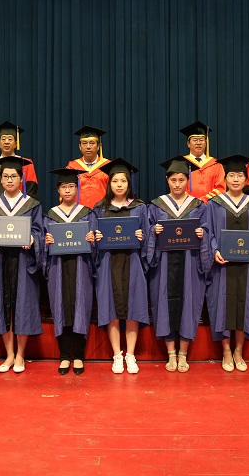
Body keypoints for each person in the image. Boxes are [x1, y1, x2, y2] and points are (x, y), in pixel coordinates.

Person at [203, 154, 249, 373]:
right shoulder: (214, 204)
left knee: (244, 303)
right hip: (222, 266)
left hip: (247, 266)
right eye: (231, 175)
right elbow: (208, 232)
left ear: (246, 179)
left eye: (240, 175)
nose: (235, 179)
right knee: (223, 305)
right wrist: (214, 251)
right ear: (226, 179)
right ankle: (226, 351)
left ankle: (239, 350)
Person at [0, 156, 44, 373]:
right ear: (0, 179)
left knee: (22, 305)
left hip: (23, 260)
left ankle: (20, 355)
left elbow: (39, 230)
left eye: (13, 176)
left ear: (21, 179)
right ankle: (9, 354)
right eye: (5, 176)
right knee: (2, 305)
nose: (9, 180)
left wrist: (33, 239)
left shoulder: (32, 204)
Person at [147, 156, 207, 373]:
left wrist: (202, 233)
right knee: (165, 303)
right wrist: (153, 231)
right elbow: (147, 230)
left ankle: (183, 354)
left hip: (189, 262)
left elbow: (208, 229)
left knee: (187, 303)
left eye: (181, 180)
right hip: (165, 263)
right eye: (173, 180)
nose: (177, 184)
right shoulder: (156, 205)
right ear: (167, 180)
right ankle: (171, 353)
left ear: (187, 180)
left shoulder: (198, 205)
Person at [93, 158, 149, 374]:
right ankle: (117, 354)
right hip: (108, 262)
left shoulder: (139, 207)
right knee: (111, 308)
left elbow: (149, 236)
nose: (119, 185)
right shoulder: (100, 208)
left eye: (123, 181)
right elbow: (92, 238)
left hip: (133, 261)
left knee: (134, 307)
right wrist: (96, 238)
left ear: (128, 183)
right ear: (109, 183)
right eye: (115, 181)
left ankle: (130, 354)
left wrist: (142, 237)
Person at [43, 168, 97, 375]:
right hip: (58, 267)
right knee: (61, 309)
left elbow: (96, 245)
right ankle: (65, 356)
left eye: (71, 186)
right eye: (64, 186)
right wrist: (46, 241)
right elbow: (41, 242)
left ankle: (79, 356)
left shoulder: (87, 214)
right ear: (58, 189)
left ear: (77, 189)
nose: (67, 190)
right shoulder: (50, 215)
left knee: (80, 307)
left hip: (81, 266)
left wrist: (92, 240)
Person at [0, 122, 39, 205]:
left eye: (10, 139)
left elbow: (31, 191)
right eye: (3, 139)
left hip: (21, 209)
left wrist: (24, 208)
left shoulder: (27, 164)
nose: (6, 142)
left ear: (16, 143)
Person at [64, 126, 111, 209]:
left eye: (92, 143)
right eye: (84, 143)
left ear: (98, 146)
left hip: (103, 211)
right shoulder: (72, 167)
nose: (88, 146)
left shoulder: (108, 166)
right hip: (78, 212)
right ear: (80, 147)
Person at [178, 121, 225, 202]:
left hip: (211, 206)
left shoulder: (216, 164)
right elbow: (177, 186)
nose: (198, 143)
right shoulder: (181, 163)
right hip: (187, 206)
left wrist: (204, 200)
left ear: (206, 143)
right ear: (188, 144)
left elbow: (220, 188)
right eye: (195, 140)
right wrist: (192, 202)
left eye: (201, 140)